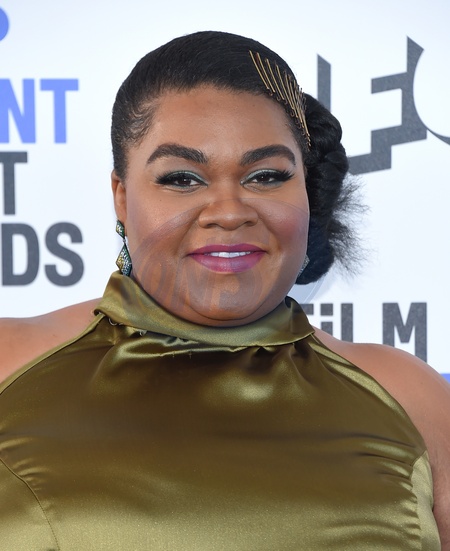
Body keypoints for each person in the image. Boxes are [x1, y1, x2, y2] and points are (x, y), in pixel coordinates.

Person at [0, 31, 449, 550]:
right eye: (182, 179)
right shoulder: (11, 364)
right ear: (121, 197)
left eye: (266, 175)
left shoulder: (410, 398)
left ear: (306, 191)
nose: (230, 212)